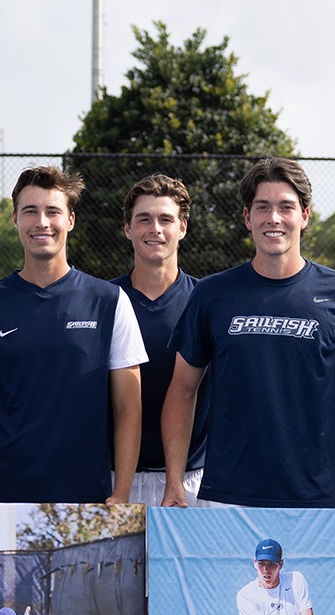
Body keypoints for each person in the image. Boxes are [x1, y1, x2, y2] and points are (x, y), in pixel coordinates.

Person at [162, 157, 335, 511]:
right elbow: (183, 390)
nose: (273, 218)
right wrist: (174, 482)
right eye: (262, 207)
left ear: (304, 216)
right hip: (227, 497)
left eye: (286, 207)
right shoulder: (211, 293)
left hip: (318, 499)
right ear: (248, 217)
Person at [0, 166, 144, 504]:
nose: (42, 222)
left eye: (52, 211)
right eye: (30, 211)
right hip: (3, 500)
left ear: (70, 220)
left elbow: (127, 407)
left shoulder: (110, 301)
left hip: (87, 502)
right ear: (15, 219)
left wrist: (121, 493)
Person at [112, 174, 206, 506]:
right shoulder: (103, 301)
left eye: (165, 219)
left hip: (191, 479)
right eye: (144, 219)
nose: (155, 229)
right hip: (115, 480)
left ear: (182, 228)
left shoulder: (206, 300)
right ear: (128, 228)